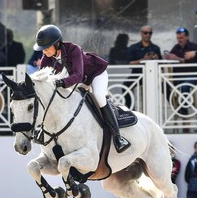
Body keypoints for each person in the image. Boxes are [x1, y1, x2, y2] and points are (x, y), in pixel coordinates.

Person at [34, 24, 131, 153]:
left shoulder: (73, 49)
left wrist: (62, 82)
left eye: (46, 47)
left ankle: (118, 137)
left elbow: (78, 75)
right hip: (75, 81)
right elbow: (44, 78)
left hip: (94, 74)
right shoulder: (46, 58)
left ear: (57, 44)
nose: (44, 51)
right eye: (42, 48)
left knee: (99, 96)